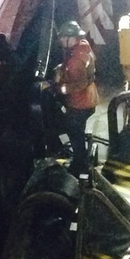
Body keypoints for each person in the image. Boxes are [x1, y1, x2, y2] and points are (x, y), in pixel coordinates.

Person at [53, 20, 99, 173]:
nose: (60, 41)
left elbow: (77, 86)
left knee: (75, 133)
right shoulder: (83, 46)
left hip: (80, 102)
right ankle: (82, 160)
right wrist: (62, 67)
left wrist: (58, 88)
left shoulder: (76, 61)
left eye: (62, 38)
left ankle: (80, 166)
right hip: (89, 97)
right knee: (76, 130)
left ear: (70, 38)